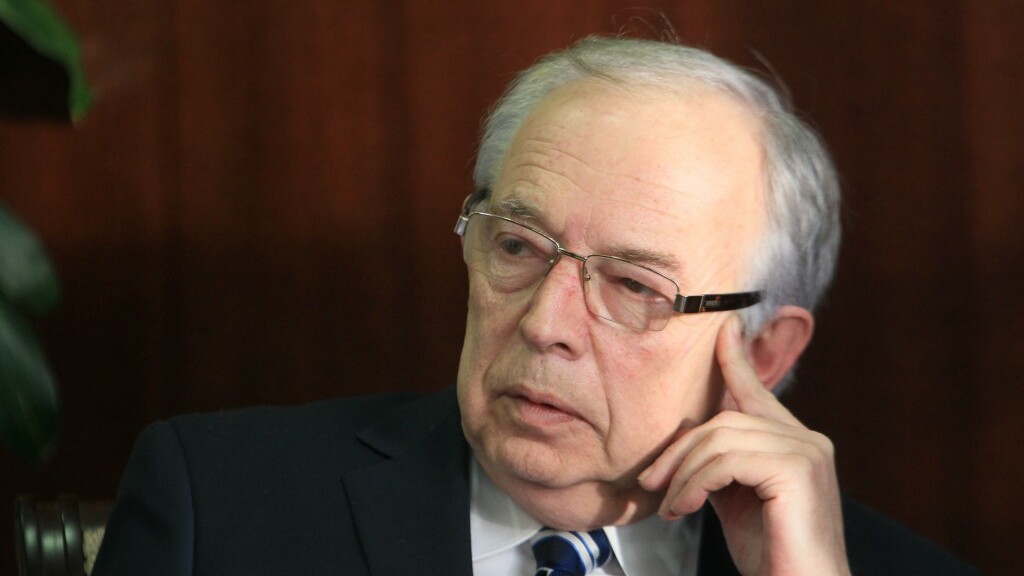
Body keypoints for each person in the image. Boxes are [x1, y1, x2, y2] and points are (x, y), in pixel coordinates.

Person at [93, 36, 978, 575]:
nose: (546, 324)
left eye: (634, 286)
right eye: (518, 246)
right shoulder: (218, 504)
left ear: (765, 352)